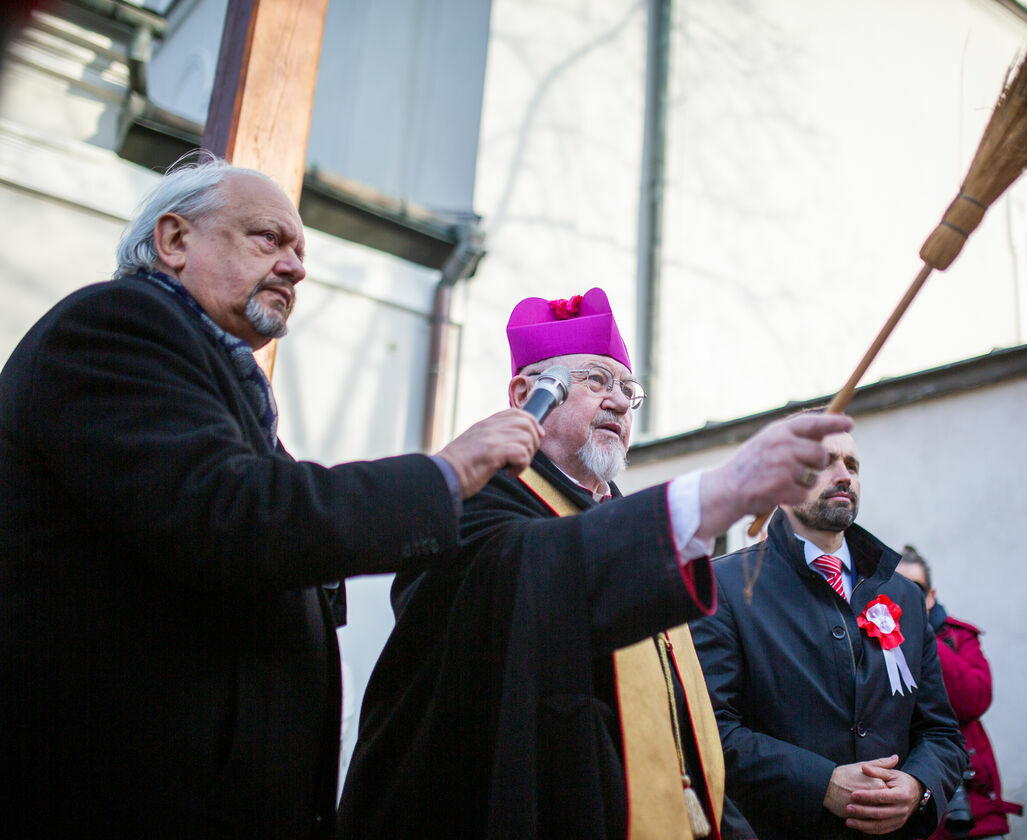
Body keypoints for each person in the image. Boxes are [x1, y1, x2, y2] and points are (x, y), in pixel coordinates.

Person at [0, 155, 541, 839]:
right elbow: (231, 515)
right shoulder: (114, 328)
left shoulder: (218, 380)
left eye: (300, 250)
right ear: (173, 241)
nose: (296, 267)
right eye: (268, 239)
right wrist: (445, 476)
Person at [336, 287, 853, 839]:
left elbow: (683, 719)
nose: (619, 402)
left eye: (628, 389)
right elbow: (523, 581)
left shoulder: (631, 526)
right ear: (523, 393)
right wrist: (712, 496)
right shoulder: (472, 498)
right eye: (595, 381)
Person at [690, 423, 966, 840]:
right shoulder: (725, 586)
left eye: (852, 465)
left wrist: (918, 787)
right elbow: (710, 731)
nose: (844, 475)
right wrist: (821, 784)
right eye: (824, 464)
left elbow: (941, 733)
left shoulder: (904, 596)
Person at [895, 546, 1021, 839]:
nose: (907, 597)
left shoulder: (957, 637)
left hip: (970, 807)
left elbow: (976, 698)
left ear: (931, 596)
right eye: (898, 588)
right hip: (906, 805)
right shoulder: (870, 634)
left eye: (916, 590)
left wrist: (920, 635)